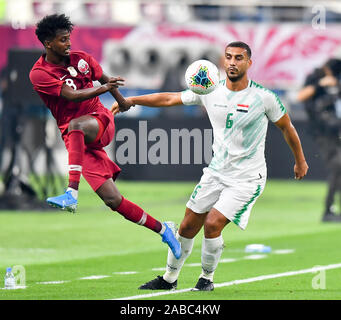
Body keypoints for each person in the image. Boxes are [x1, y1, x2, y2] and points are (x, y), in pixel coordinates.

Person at [112, 41, 309, 291]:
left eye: (239, 58)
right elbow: (170, 98)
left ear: (249, 63)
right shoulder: (209, 90)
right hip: (216, 172)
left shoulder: (264, 97)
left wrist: (300, 160)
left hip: (247, 178)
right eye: (228, 57)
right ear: (222, 61)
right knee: (186, 227)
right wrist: (133, 100)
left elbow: (287, 127)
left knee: (213, 223)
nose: (232, 62)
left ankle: (206, 279)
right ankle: (169, 279)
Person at [29, 14, 181, 259]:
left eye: (69, 38)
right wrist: (106, 89)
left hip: (98, 120)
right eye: (62, 40)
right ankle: (164, 230)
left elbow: (105, 80)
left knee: (77, 125)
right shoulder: (39, 73)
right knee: (112, 200)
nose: (68, 44)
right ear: (48, 43)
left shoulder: (82, 59)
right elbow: (70, 95)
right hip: (76, 139)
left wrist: (122, 102)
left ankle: (71, 193)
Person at [297, 58, 341, 222]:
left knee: (339, 169)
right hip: (321, 131)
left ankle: (332, 210)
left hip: (335, 129)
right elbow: (300, 96)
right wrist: (321, 84)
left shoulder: (336, 81)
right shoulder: (315, 77)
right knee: (338, 166)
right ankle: (328, 210)